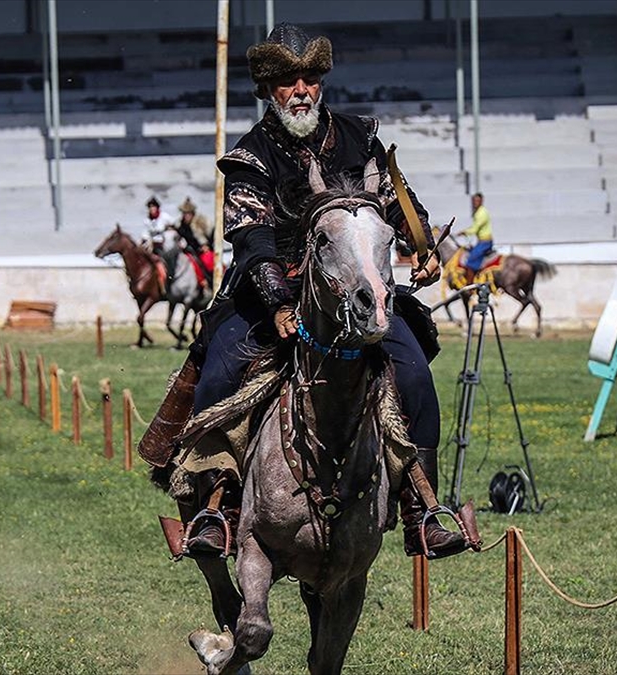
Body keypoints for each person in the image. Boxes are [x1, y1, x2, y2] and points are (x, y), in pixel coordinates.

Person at [173, 23, 464, 559]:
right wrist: (280, 301)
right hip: (268, 295)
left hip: (358, 293)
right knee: (218, 375)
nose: (301, 89)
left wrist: (423, 249)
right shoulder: (250, 157)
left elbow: (401, 206)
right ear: (267, 88)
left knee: (416, 374)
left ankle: (421, 507)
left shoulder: (361, 137)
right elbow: (252, 239)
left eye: (310, 77)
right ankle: (222, 505)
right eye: (288, 80)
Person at [176, 197, 215, 283]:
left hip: (202, 250)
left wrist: (207, 246)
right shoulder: (180, 225)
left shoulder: (201, 221)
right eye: (184, 213)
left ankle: (210, 282)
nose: (186, 216)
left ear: (192, 213)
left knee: (208, 261)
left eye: (188, 213)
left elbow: (212, 232)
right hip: (187, 251)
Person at [461, 192, 493, 284]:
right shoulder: (478, 212)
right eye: (474, 201)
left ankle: (469, 286)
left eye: (477, 201)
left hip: (485, 242)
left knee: (470, 262)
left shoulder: (481, 213)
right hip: (481, 241)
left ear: (481, 201)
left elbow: (475, 229)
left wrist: (464, 232)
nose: (475, 203)